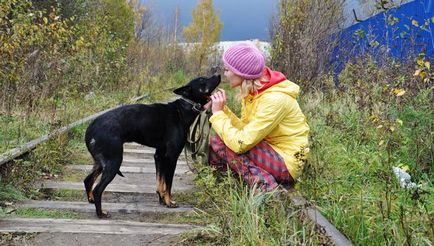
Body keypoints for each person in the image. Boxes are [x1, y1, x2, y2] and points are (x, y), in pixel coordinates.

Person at [205, 42, 310, 192]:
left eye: (228, 70)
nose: (225, 74)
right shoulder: (254, 92)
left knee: (221, 143)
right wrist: (222, 110)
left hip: (287, 163)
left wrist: (218, 114)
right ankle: (232, 188)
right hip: (270, 151)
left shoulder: (274, 99)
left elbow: (241, 143)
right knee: (219, 141)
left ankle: (269, 191)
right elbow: (246, 131)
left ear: (242, 74)